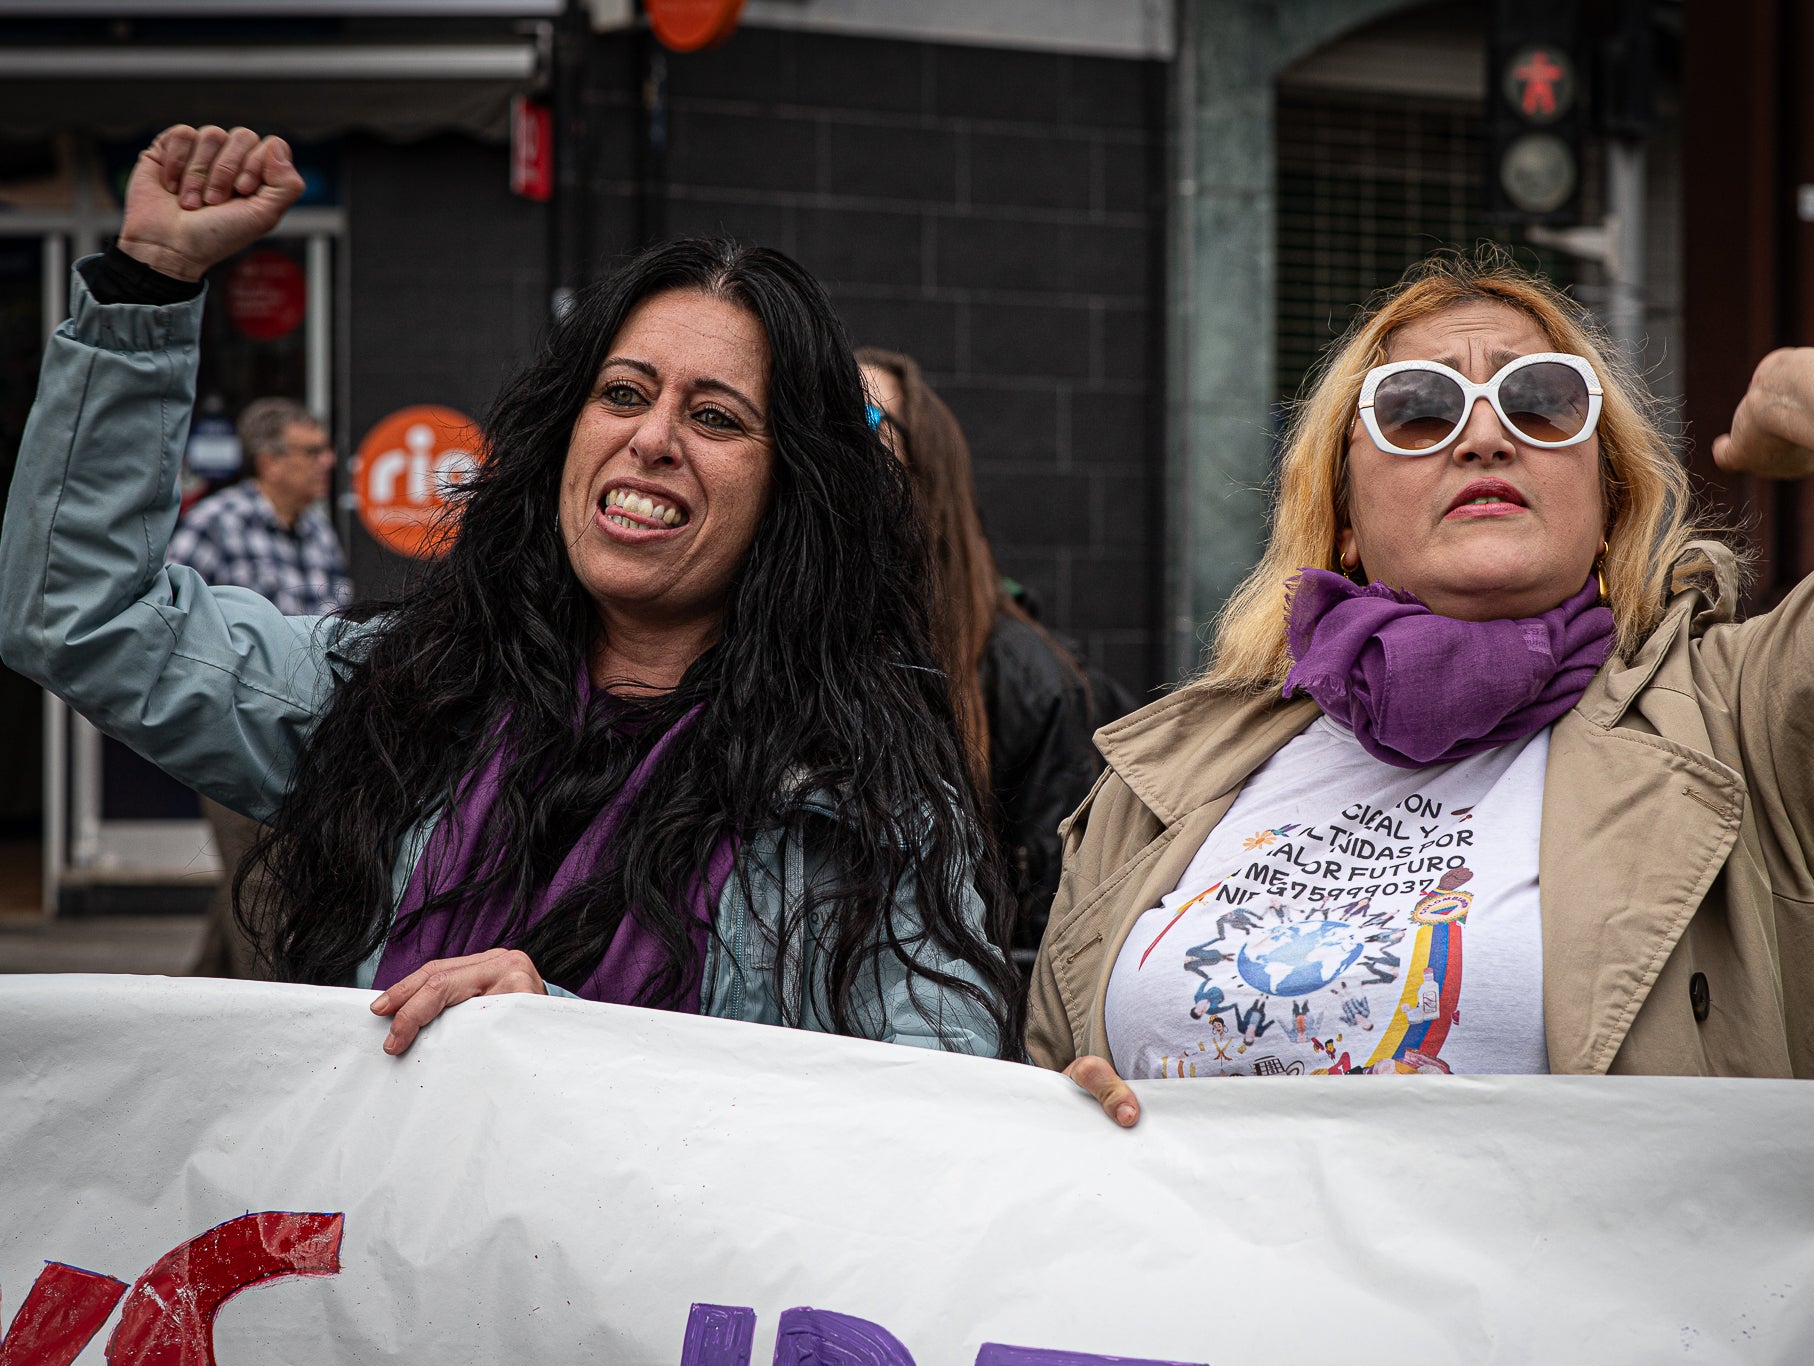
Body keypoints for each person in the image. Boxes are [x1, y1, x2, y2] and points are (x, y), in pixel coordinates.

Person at [0, 124, 1015, 1058]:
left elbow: (930, 1121)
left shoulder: (866, 804)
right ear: (560, 435)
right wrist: (149, 288)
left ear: (789, 489)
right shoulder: (400, 697)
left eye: (715, 416)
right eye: (622, 394)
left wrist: (557, 1048)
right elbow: (82, 612)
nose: (651, 438)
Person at [1023, 252, 1814, 1126]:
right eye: (1416, 407)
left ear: (1606, 497)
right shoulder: (1162, 778)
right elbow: (1031, 1103)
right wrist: (1057, 1115)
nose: (1485, 432)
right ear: (1343, 512)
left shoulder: (1733, 719)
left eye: (1544, 404)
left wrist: (1789, 387)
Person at [855, 347, 1104, 952]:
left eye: (863, 416)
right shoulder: (750, 633)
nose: (836, 435)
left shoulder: (1030, 680)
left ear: (925, 467)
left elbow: (1055, 933)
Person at [167, 395, 349, 979]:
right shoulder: (216, 524)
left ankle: (188, 1008)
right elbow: (165, 623)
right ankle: (270, 1044)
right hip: (237, 734)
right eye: (312, 450)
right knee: (265, 894)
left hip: (309, 738)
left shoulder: (317, 531)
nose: (329, 460)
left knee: (252, 879)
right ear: (269, 462)